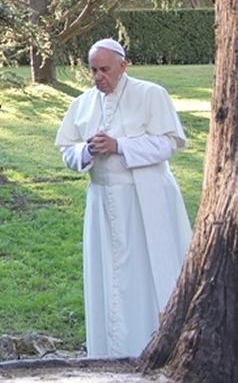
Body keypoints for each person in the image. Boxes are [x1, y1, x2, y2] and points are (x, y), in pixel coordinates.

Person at [55, 38, 192, 358]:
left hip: (147, 199)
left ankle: (154, 346)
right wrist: (87, 150)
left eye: (104, 69)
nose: (98, 76)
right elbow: (66, 151)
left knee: (145, 276)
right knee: (110, 279)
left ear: (123, 65)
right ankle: (108, 353)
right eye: (93, 70)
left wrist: (120, 146)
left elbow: (169, 144)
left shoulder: (151, 94)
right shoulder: (83, 103)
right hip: (103, 200)